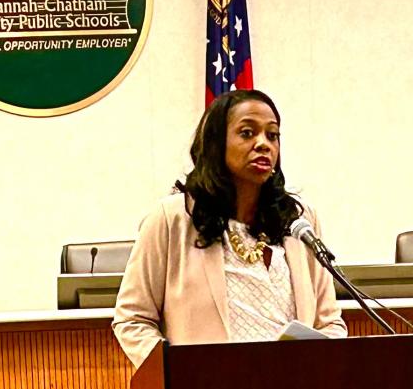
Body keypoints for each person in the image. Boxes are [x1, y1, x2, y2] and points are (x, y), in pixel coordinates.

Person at [112, 89, 346, 367]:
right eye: (247, 133)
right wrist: (176, 371)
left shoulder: (298, 220)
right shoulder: (172, 218)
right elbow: (132, 319)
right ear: (216, 143)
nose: (263, 144)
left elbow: (329, 322)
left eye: (272, 135)